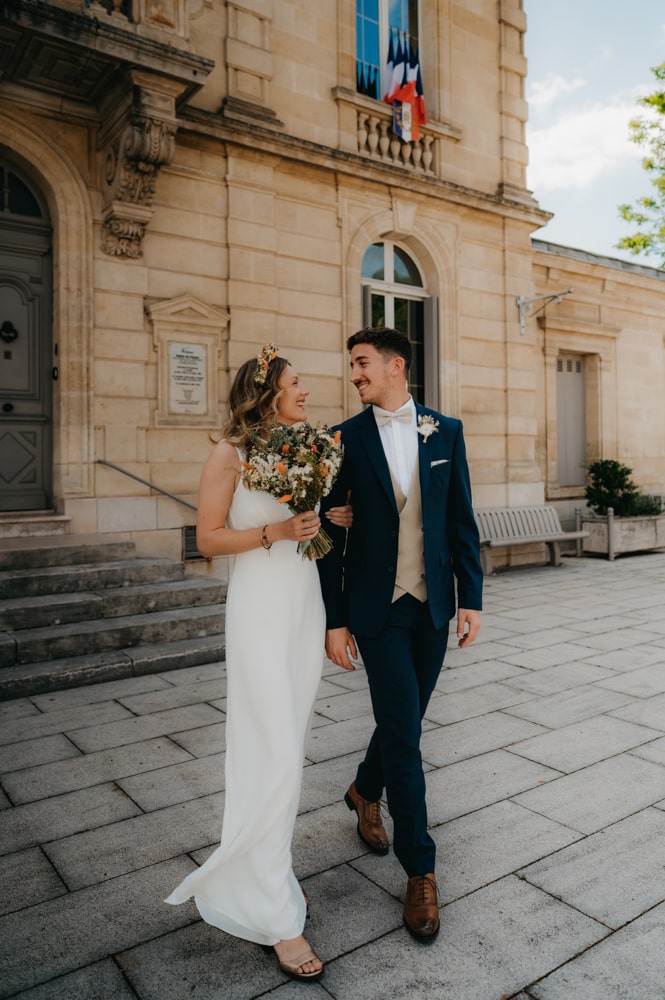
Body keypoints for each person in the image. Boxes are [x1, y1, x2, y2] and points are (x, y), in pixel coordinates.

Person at [165, 346, 352, 982]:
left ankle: (258, 870)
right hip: (259, 610)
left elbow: (302, 525)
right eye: (297, 383)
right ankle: (277, 917)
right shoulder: (229, 453)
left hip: (301, 601)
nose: (307, 391)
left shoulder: (302, 447)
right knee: (267, 747)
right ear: (268, 390)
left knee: (289, 747)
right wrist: (277, 533)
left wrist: (325, 518)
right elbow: (210, 538)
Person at [318, 326, 483, 942]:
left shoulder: (446, 430)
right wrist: (334, 619)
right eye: (352, 365)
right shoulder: (343, 437)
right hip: (378, 611)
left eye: (361, 363)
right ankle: (421, 870)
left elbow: (460, 517)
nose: (354, 374)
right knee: (407, 740)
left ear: (394, 366)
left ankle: (364, 789)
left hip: (434, 605)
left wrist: (473, 599)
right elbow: (326, 538)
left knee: (403, 724)